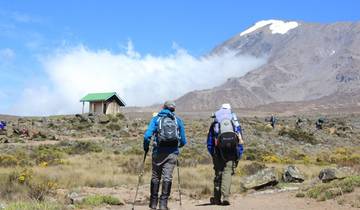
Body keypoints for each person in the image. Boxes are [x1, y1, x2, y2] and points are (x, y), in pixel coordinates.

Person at [144, 101, 187, 210]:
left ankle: (153, 203)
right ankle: (163, 205)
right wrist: (177, 147)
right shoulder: (177, 120)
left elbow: (147, 136)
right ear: (173, 109)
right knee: (167, 177)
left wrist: (146, 147)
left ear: (163, 107)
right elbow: (183, 140)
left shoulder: (156, 119)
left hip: (158, 152)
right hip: (172, 153)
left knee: (155, 177)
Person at [207, 103, 244, 205]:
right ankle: (226, 197)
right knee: (227, 173)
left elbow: (210, 142)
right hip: (232, 152)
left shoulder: (216, 122)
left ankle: (217, 198)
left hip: (218, 152)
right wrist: (239, 154)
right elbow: (240, 140)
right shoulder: (234, 122)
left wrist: (213, 153)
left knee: (218, 173)